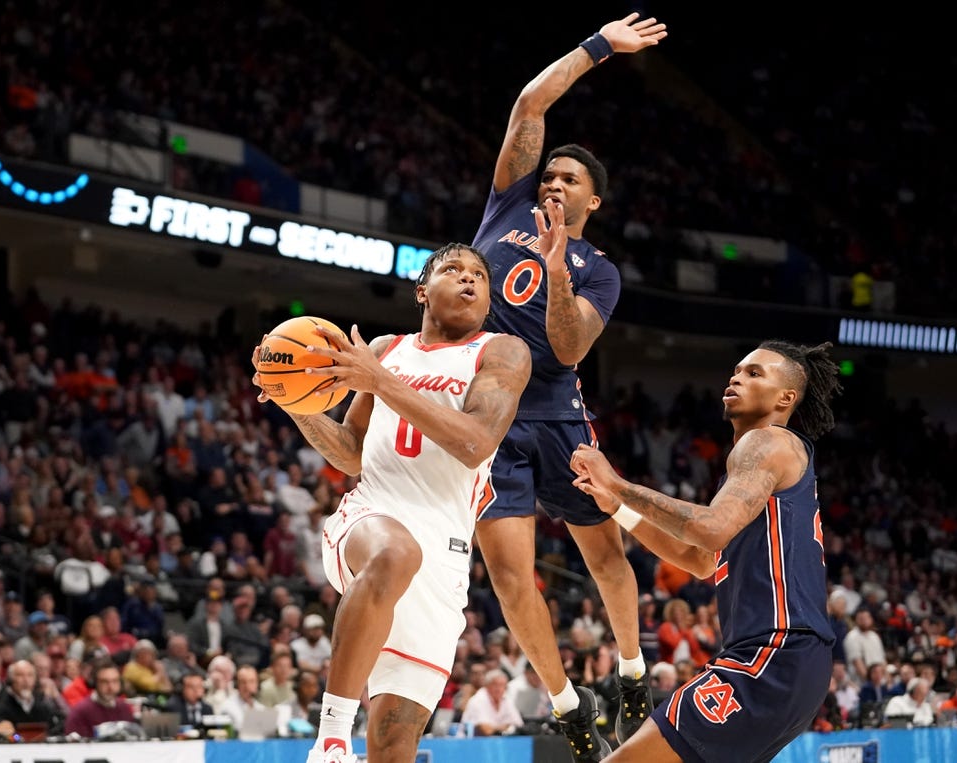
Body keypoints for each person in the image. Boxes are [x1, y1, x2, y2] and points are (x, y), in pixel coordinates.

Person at [470, 12, 667, 759]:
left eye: (570, 180)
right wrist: (599, 47)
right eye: (549, 174)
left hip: (557, 418)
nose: (554, 182)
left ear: (592, 204)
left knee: (605, 557)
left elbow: (568, 345)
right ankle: (566, 705)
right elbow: (530, 105)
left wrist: (556, 266)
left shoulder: (600, 271)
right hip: (488, 419)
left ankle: (631, 671)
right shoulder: (506, 205)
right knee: (510, 578)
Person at [252, 242, 531, 763]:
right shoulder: (384, 349)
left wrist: (381, 382)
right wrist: (295, 402)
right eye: (453, 269)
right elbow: (351, 454)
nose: (469, 279)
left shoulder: (502, 352)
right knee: (395, 553)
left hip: (444, 559)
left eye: (479, 275)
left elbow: (476, 443)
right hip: (371, 517)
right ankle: (331, 740)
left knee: (394, 745)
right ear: (422, 291)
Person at [569, 340, 842, 762]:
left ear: (786, 398)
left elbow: (710, 530)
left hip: (773, 651)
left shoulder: (766, 442)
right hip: (796, 665)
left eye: (754, 373)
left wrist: (617, 483)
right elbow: (699, 560)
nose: (737, 377)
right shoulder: (759, 466)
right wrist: (617, 507)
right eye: (737, 370)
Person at [64, 659, 135, 738]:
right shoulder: (81, 711)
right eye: (104, 682)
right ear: (94, 683)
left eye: (115, 681)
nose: (111, 687)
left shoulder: (124, 708)